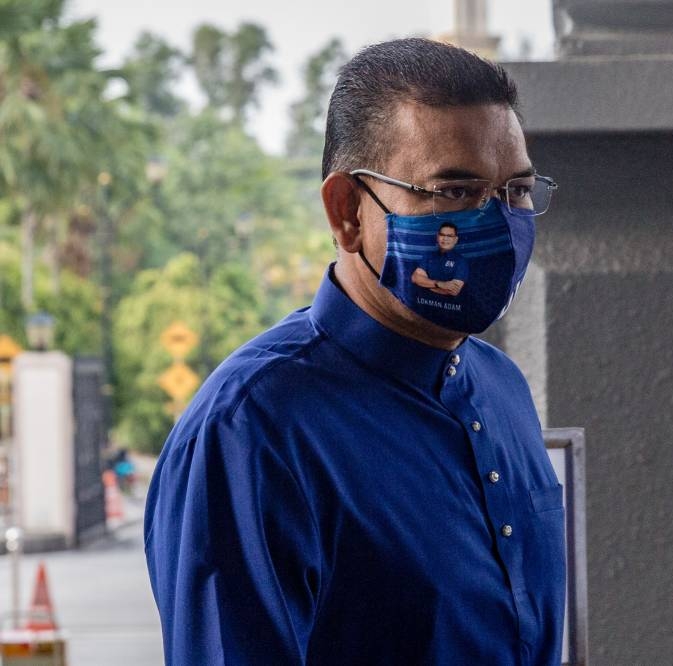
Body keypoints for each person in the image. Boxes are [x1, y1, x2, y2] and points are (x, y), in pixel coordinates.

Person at [144, 37, 564, 665]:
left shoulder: (500, 387)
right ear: (346, 212)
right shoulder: (252, 430)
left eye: (517, 192)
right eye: (454, 190)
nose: (499, 222)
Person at [411, 222, 469, 296]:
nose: (445, 238)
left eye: (450, 236)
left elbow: (453, 291)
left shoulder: (461, 261)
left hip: (449, 306)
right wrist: (439, 284)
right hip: (422, 304)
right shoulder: (428, 256)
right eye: (442, 235)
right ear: (437, 237)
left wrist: (423, 284)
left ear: (456, 239)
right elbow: (415, 278)